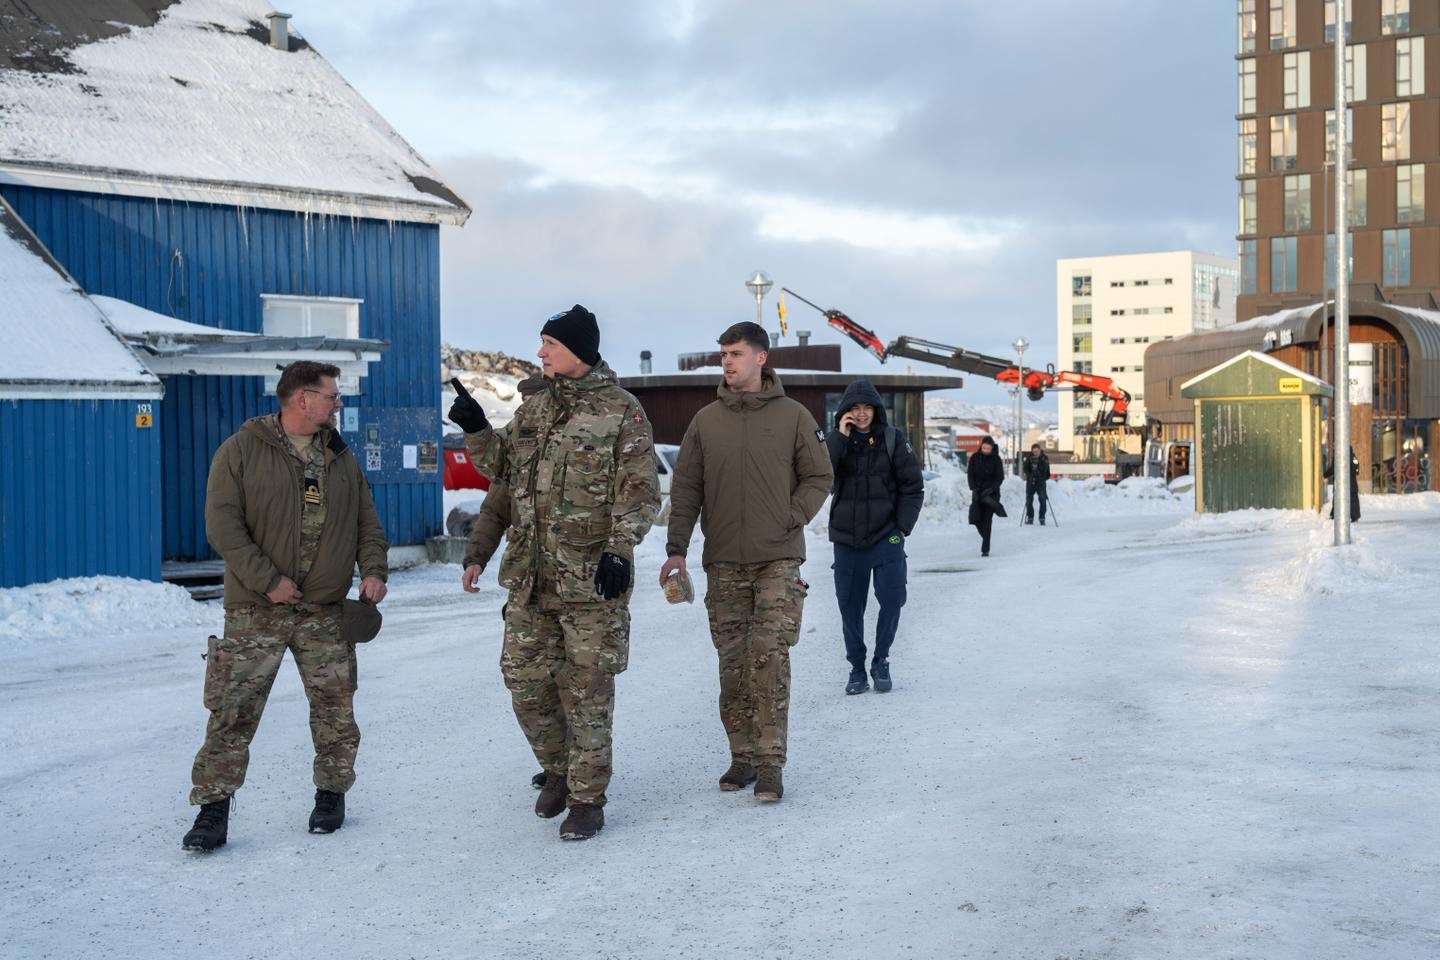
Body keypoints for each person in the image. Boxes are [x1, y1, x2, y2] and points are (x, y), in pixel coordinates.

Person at [449, 305, 659, 841]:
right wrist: (476, 427)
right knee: (523, 682)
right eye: (541, 343)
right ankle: (560, 770)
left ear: (577, 351)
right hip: (531, 578)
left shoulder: (621, 410)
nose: (541, 352)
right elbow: (501, 467)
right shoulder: (536, 411)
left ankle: (588, 798)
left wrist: (619, 548)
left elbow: (640, 492)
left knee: (587, 689)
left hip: (591, 580)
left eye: (549, 344)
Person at [183, 361, 389, 852]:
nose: (338, 403)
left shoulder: (340, 458)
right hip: (257, 609)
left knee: (335, 710)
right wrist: (267, 580)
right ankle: (212, 811)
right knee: (232, 712)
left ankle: (331, 794)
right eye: (332, 396)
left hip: (324, 611)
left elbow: (367, 522)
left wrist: (375, 569)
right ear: (302, 399)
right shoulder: (240, 452)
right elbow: (223, 527)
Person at [660, 321, 832, 803]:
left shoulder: (795, 416)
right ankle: (743, 756)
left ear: (761, 358)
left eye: (736, 353)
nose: (727, 362)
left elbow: (819, 476)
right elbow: (687, 488)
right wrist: (677, 549)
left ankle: (772, 761)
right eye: (723, 355)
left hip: (777, 559)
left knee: (768, 656)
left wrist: (791, 515)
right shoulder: (705, 422)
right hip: (724, 564)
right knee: (732, 663)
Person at [824, 379, 924, 695]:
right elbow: (823, 474)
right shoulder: (834, 441)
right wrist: (840, 435)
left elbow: (913, 487)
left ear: (876, 409)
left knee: (894, 599)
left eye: (867, 407)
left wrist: (901, 528)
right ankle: (857, 668)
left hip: (886, 537)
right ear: (846, 411)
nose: (862, 413)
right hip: (846, 540)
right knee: (850, 608)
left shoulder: (893, 440)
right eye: (855, 407)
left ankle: (881, 659)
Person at [966, 435, 1006, 557]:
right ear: (981, 446)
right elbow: (970, 474)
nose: (986, 450)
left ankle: (985, 549)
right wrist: (973, 487)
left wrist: (992, 488)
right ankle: (986, 537)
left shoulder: (996, 459)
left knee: (987, 520)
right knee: (975, 518)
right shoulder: (975, 457)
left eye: (988, 448)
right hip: (977, 493)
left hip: (991, 495)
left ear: (992, 448)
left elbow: (1000, 477)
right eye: (984, 448)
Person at [1324, 448, 1361, 522]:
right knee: (1353, 498)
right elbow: (1356, 467)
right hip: (1351, 482)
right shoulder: (1352, 456)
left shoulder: (1338, 456)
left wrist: (1325, 475)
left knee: (1338, 497)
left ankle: (1335, 514)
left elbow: (1333, 468)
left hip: (1340, 481)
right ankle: (1355, 516)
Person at [1022, 443, 1050, 525]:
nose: (1036, 453)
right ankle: (1030, 517)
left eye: (1037, 451)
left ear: (1040, 450)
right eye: (1034, 451)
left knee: (1042, 499)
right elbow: (1025, 468)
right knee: (1029, 500)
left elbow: (1045, 471)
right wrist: (1030, 476)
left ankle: (1042, 518)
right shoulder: (1029, 457)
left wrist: (1038, 474)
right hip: (1031, 482)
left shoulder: (1044, 458)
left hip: (1040, 482)